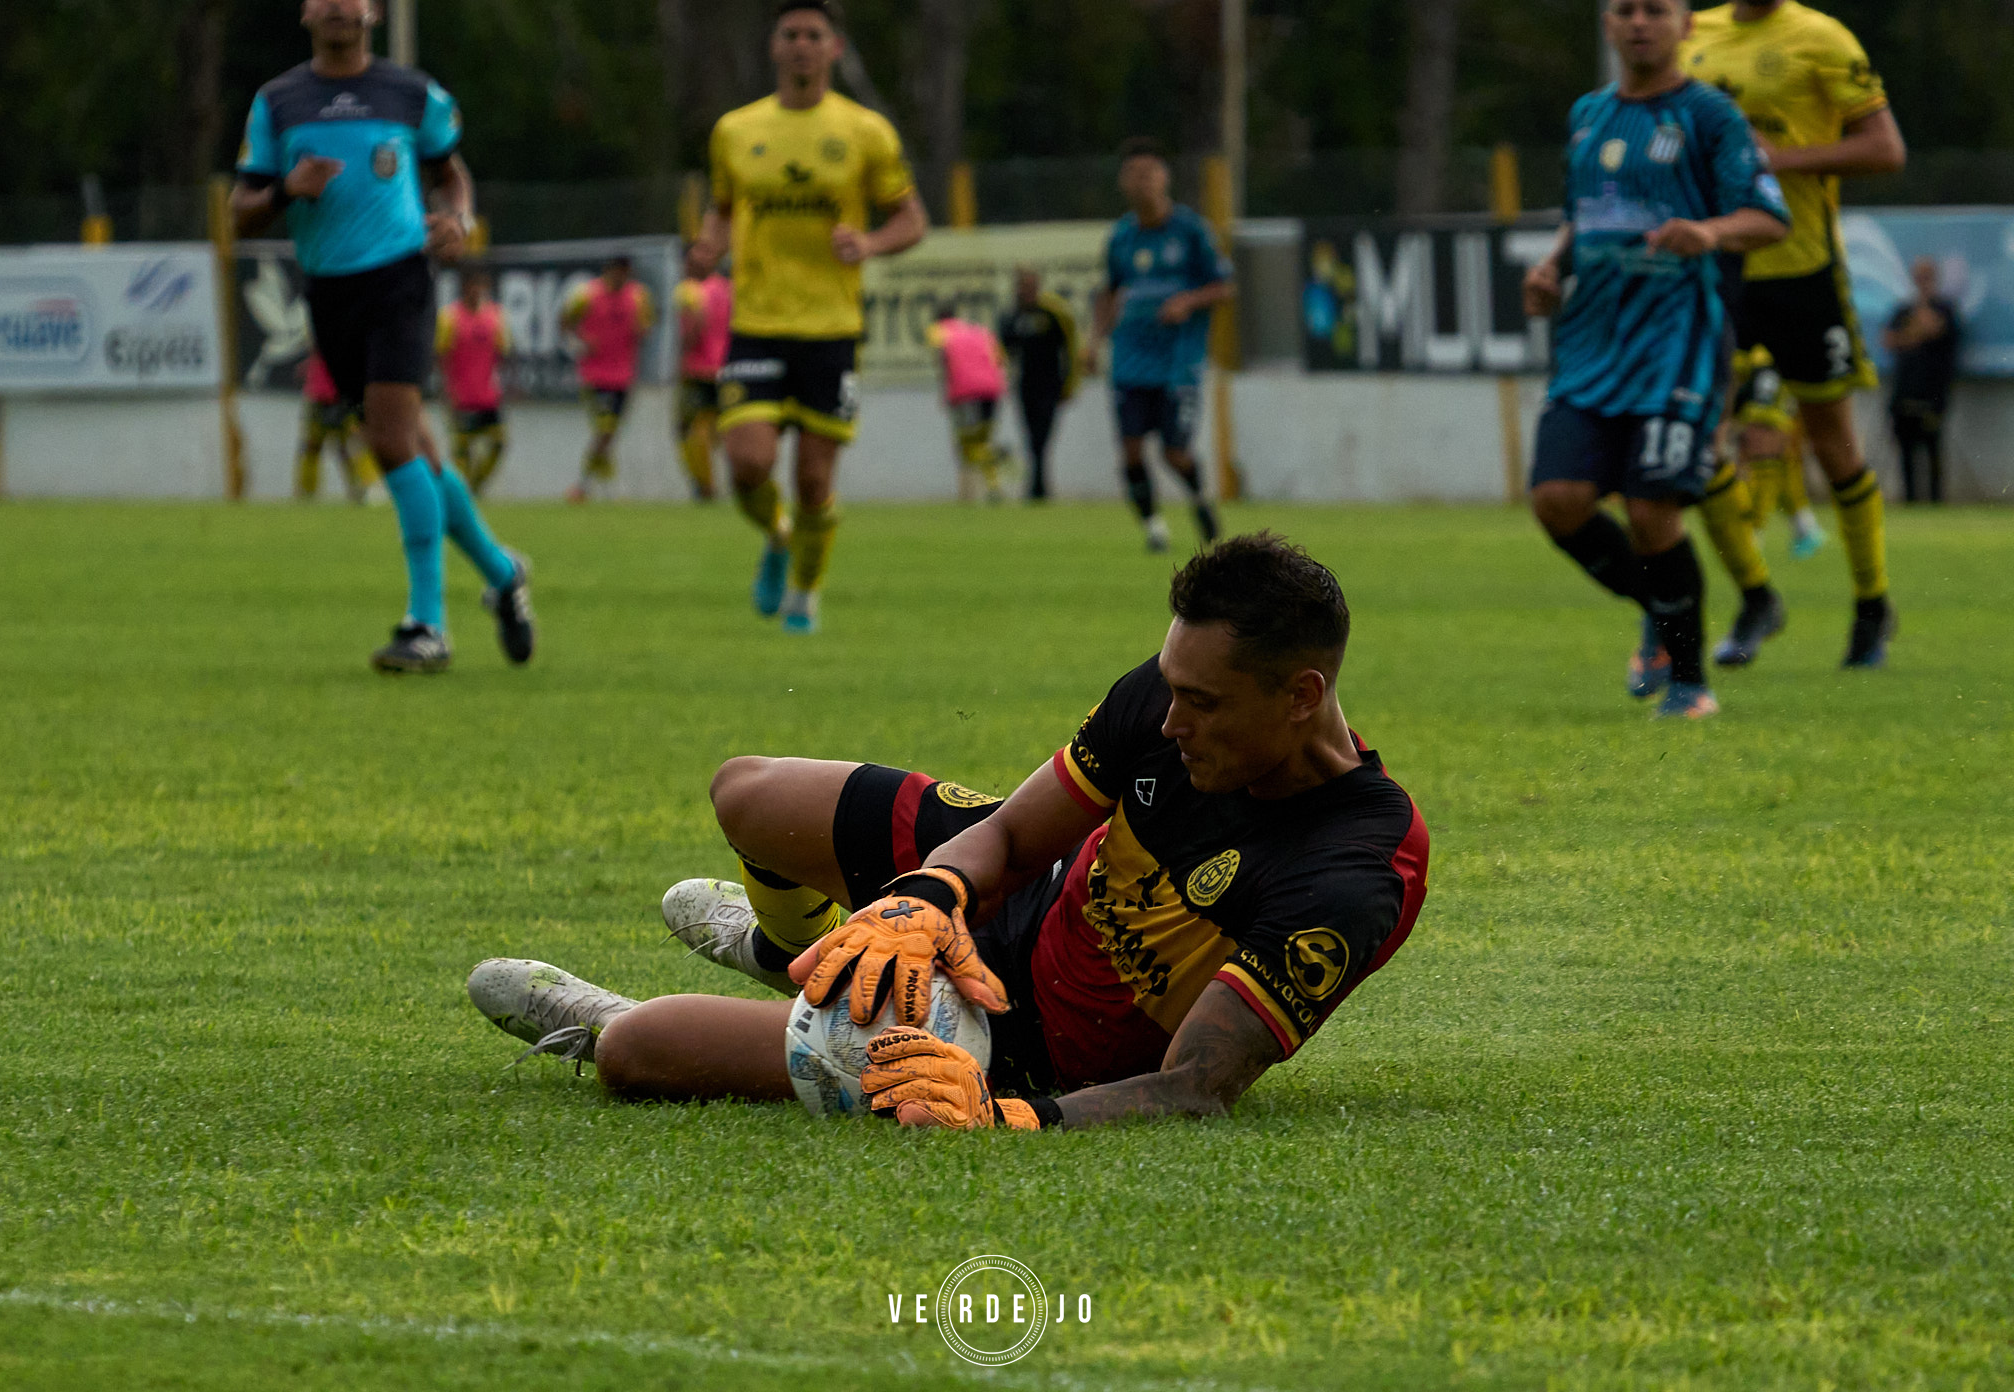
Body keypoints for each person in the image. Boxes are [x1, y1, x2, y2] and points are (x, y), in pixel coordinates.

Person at [466, 534, 1430, 1131]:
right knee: (747, 794)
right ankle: (806, 956)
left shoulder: (1358, 866)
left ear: (1300, 697)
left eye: (1202, 704)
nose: (1171, 720)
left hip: (1028, 1041)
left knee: (640, 1050)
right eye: (1172, 688)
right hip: (1027, 892)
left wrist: (1011, 1116)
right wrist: (930, 899)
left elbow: (1193, 1087)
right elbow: (1008, 840)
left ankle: (651, 1011)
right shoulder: (1175, 693)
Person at [232, 0, 534, 675]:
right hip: (328, 291)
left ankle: (428, 624)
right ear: (305, 11)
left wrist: (458, 218)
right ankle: (501, 572)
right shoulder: (278, 102)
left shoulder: (411, 93)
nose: (340, 7)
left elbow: (450, 172)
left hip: (400, 279)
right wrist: (285, 190)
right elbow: (240, 212)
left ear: (372, 11)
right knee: (416, 450)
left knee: (391, 441)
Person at [1524, 0, 1791, 722]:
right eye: (1625, 10)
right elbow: (1582, 215)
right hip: (1592, 344)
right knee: (1557, 501)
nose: (1639, 22)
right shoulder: (1588, 114)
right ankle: (1663, 608)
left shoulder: (1711, 116)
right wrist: (1551, 268)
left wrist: (1710, 231)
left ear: (1685, 25)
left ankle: (1690, 684)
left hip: (1679, 343)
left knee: (1652, 508)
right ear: (1607, 23)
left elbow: (1769, 216)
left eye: (1656, 9)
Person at [1683, 0, 1908, 669]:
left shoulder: (1821, 38)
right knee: (1697, 442)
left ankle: (1871, 605)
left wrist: (1780, 160)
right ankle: (1756, 596)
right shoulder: (1690, 33)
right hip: (1717, 270)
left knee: (1833, 444)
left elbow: (1886, 149)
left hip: (1801, 270)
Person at [694, 0, 928, 635]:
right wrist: (709, 244)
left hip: (832, 327)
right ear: (774, 47)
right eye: (790, 34)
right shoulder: (736, 130)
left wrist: (870, 243)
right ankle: (778, 535)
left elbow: (911, 219)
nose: (801, 44)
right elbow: (721, 208)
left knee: (814, 477)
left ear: (835, 49)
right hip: (757, 321)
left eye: (814, 35)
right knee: (747, 463)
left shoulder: (865, 130)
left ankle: (804, 593)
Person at [1091, 139, 1233, 553]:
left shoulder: (1190, 231)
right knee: (1131, 450)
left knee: (1174, 453)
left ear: (1164, 178)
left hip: (1178, 362)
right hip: (1130, 361)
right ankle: (1154, 528)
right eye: (1135, 174)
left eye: (1150, 173)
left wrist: (1188, 301)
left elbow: (1224, 286)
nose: (1143, 182)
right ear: (1123, 182)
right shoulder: (1121, 237)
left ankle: (1199, 500)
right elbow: (1109, 292)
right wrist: (1093, 342)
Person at [559, 255, 654, 503]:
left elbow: (645, 330)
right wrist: (579, 343)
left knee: (609, 433)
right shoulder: (586, 295)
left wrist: (640, 331)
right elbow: (564, 321)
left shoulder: (638, 296)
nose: (621, 278)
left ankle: (596, 485)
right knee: (606, 428)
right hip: (594, 375)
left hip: (624, 375)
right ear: (608, 271)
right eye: (617, 272)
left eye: (625, 273)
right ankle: (585, 486)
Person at [1729, 346, 1827, 558]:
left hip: (1768, 405)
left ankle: (1753, 533)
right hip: (1778, 400)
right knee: (1783, 468)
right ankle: (1805, 527)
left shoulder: (1762, 359)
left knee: (1764, 464)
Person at [998, 267, 1083, 502]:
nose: (1026, 291)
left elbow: (1070, 349)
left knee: (1042, 436)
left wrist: (1070, 383)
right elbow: (1004, 348)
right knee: (1031, 436)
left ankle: (1038, 486)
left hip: (1050, 384)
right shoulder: (1012, 316)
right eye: (1022, 286)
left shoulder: (1053, 313)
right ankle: (1038, 486)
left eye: (1031, 286)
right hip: (1026, 385)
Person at [1883, 256, 1961, 505]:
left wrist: (1911, 333)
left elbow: (1933, 330)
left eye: (1926, 277)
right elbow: (1888, 340)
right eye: (1918, 277)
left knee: (1933, 448)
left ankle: (1936, 500)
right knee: (1905, 450)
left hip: (1933, 391)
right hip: (1905, 389)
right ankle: (1910, 500)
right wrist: (1916, 332)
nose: (1922, 282)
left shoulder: (1945, 308)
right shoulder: (1903, 310)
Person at [926, 301, 1013, 502]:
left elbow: (942, 360)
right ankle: (993, 487)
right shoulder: (979, 331)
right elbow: (1001, 359)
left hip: (964, 393)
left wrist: (945, 390)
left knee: (966, 444)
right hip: (991, 391)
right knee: (983, 441)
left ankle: (996, 456)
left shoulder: (939, 331)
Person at [436, 268, 511, 495]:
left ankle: (476, 485)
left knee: (499, 443)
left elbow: (503, 353)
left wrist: (507, 384)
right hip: (461, 396)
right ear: (464, 287)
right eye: (473, 286)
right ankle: (464, 491)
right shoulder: (449, 317)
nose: (478, 291)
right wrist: (446, 391)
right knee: (462, 452)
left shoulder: (496, 315)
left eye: (482, 286)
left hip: (488, 395)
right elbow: (440, 357)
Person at [673, 241, 733, 501]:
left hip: (698, 370)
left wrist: (682, 359)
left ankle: (705, 486)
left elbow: (693, 329)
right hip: (726, 369)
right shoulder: (728, 289)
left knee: (688, 428)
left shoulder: (690, 290)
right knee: (717, 429)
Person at [294, 346, 374, 503]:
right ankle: (307, 493)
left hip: (342, 398)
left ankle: (362, 488)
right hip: (319, 397)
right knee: (312, 447)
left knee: (349, 447)